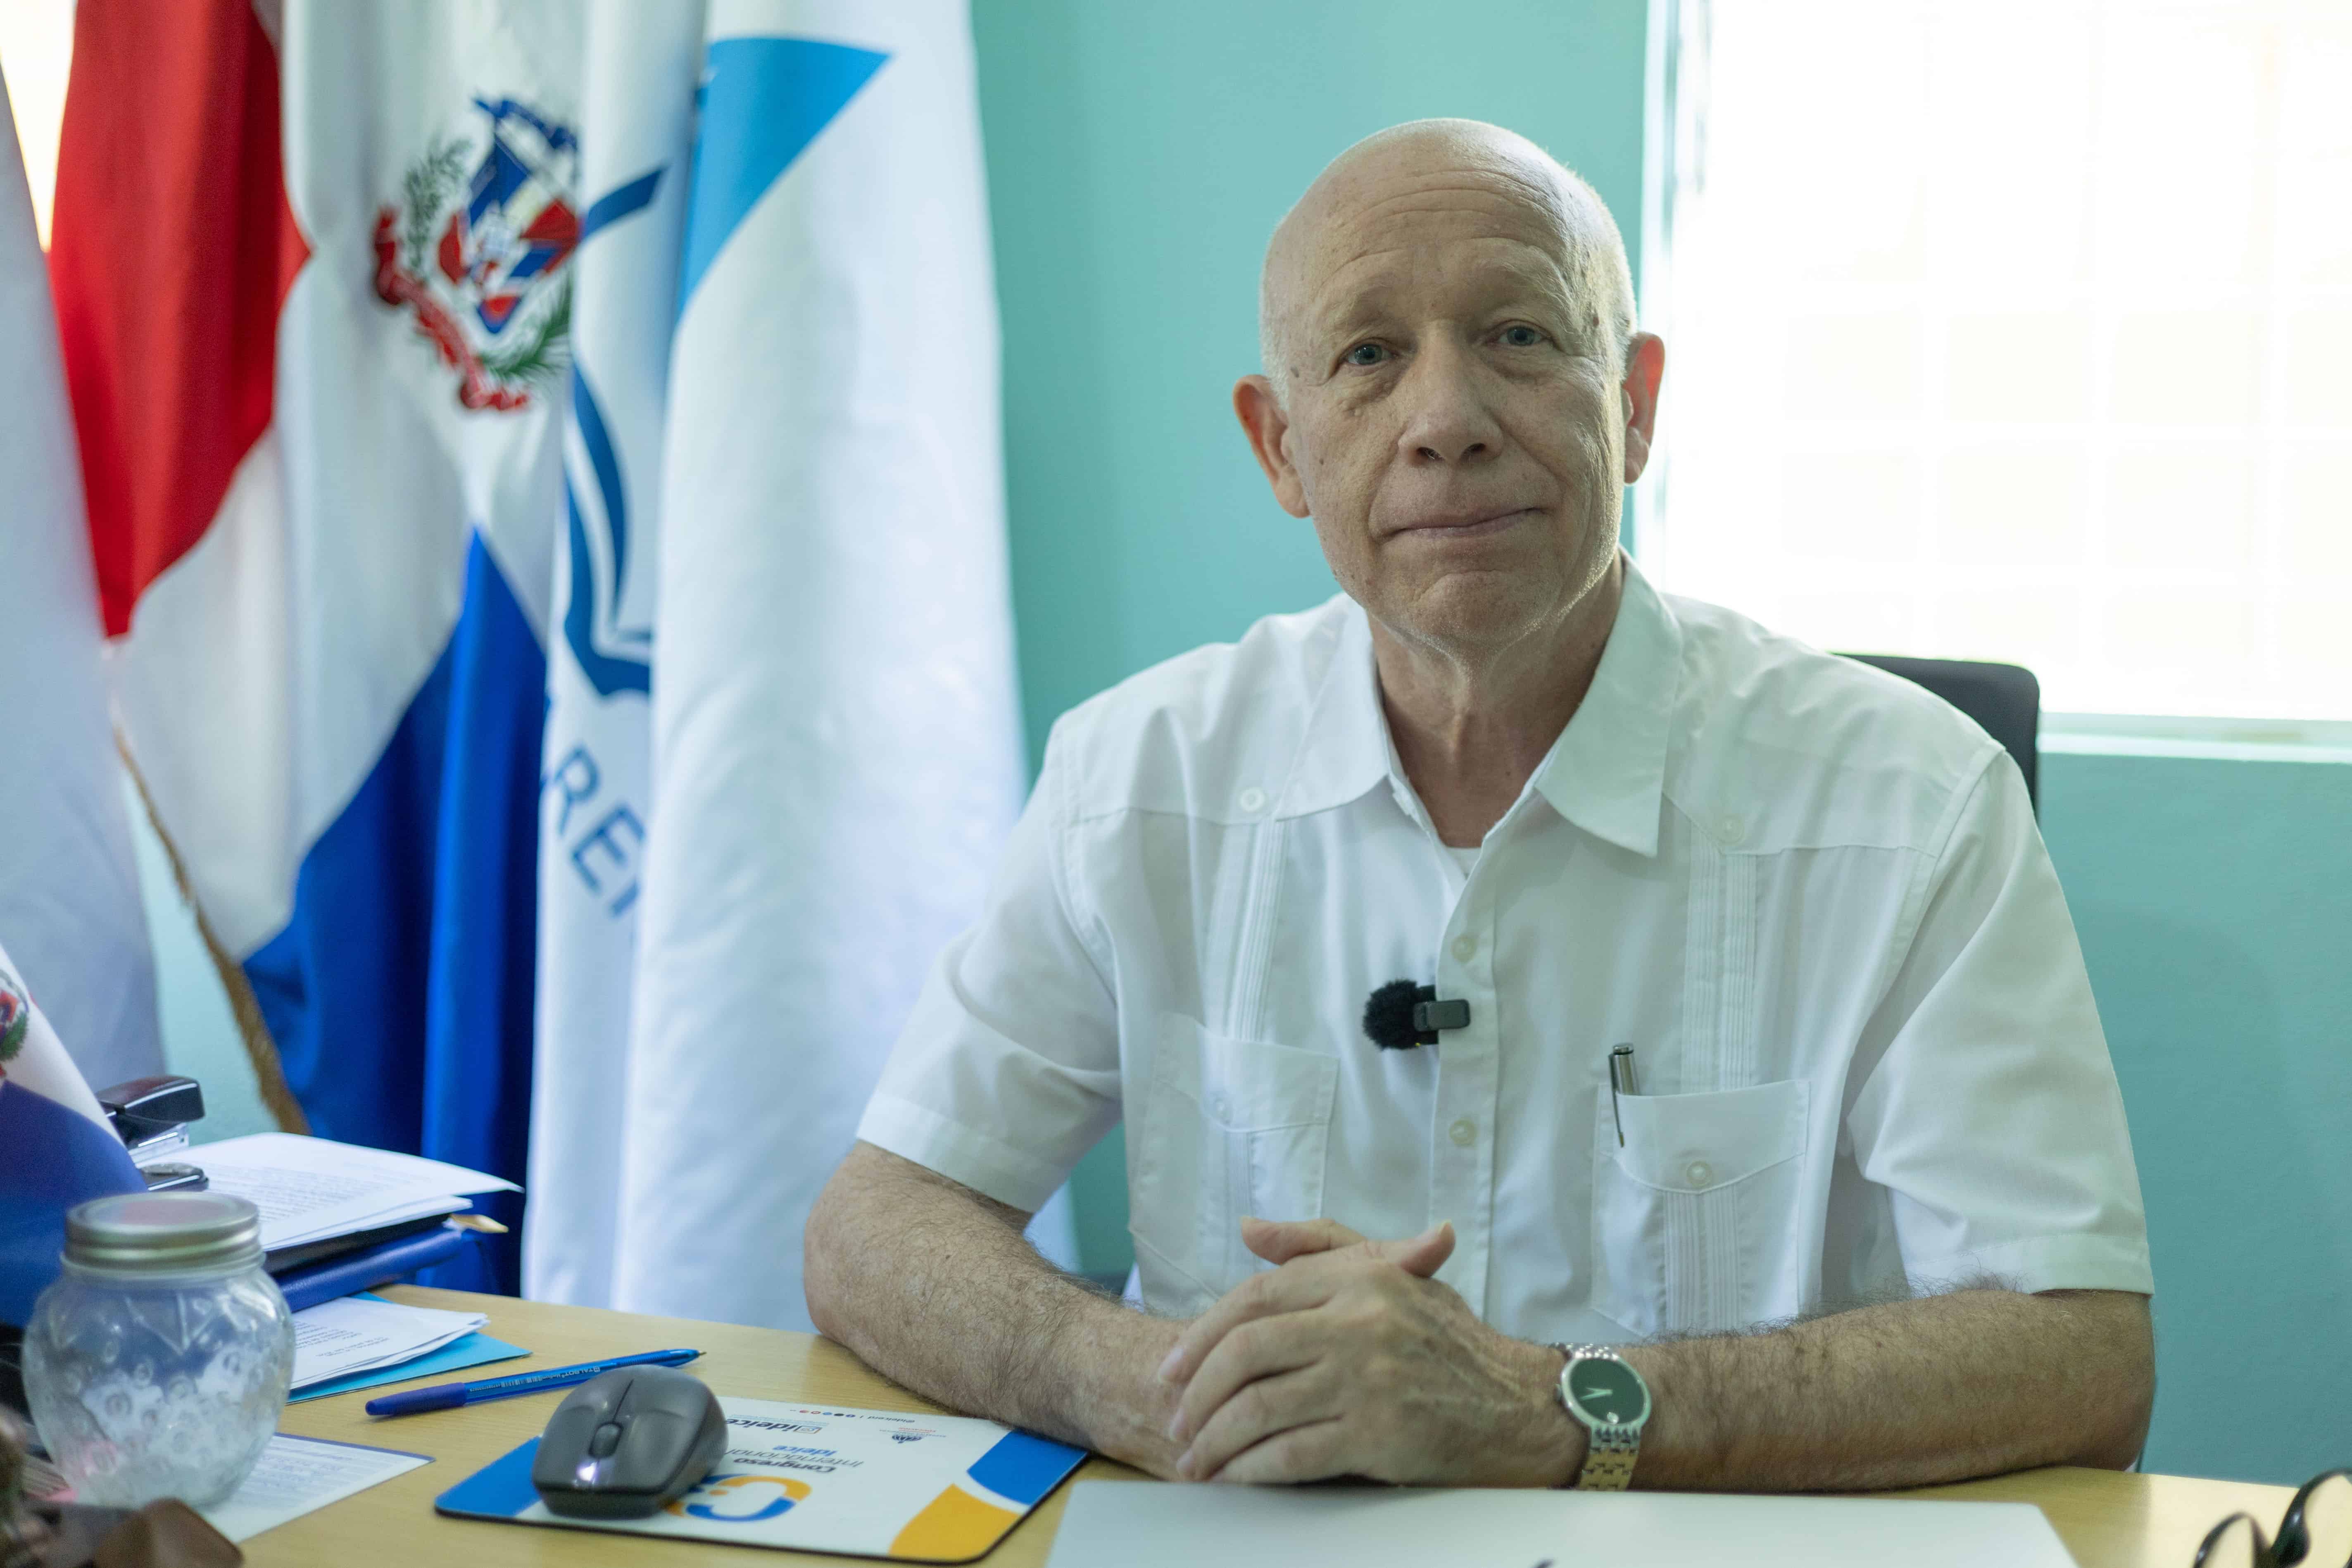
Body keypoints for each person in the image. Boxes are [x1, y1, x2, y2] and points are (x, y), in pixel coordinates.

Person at [804, 119, 2154, 1491]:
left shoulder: (1911, 802)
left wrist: (1551, 1409)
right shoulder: (1139, 776)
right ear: (1281, 447)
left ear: (1635, 405)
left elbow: (2077, 1355)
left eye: (1517, 335)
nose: (1445, 421)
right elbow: (874, 1228)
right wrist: (1158, 1390)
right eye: (1369, 356)